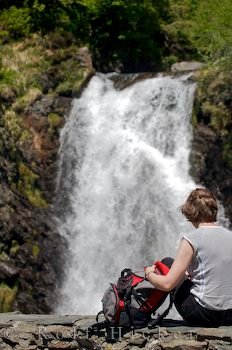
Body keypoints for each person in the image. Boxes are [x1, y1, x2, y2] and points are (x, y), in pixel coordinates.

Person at [145, 187, 232, 326]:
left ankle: (142, 315)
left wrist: (149, 274)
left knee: (167, 263)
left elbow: (167, 284)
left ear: (190, 211)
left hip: (203, 314)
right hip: (230, 315)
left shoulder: (191, 239)